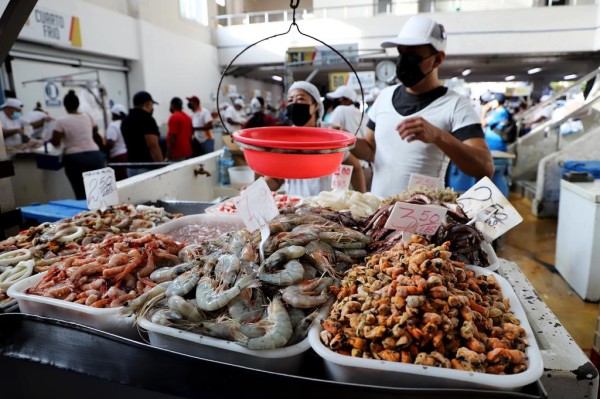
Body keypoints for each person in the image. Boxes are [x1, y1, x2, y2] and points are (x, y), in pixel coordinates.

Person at [351, 15, 493, 198]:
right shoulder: (384, 97)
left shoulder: (456, 105)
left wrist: (438, 136)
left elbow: (485, 167)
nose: (404, 62)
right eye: (401, 54)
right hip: (378, 214)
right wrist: (346, 140)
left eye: (413, 57)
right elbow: (371, 151)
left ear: (437, 59)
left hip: (423, 219)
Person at [264, 81, 365, 197]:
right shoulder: (286, 138)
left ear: (316, 105)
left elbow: (355, 167)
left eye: (300, 99)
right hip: (296, 206)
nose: (294, 104)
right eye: (290, 100)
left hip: (327, 206)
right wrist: (255, 189)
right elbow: (276, 180)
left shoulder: (328, 133)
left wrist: (361, 199)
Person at [50, 90, 106, 199]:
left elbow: (56, 143)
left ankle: (86, 215)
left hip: (75, 158)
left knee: (81, 192)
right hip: (95, 156)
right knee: (99, 192)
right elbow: (95, 130)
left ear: (65, 106)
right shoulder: (88, 116)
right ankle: (103, 214)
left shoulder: (61, 121)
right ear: (78, 104)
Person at [325, 85, 368, 192]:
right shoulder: (363, 115)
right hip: (365, 167)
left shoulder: (340, 110)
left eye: (338, 99)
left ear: (346, 100)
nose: (335, 102)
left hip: (347, 168)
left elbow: (331, 132)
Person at [121, 90, 163, 176]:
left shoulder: (126, 120)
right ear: (147, 104)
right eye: (152, 105)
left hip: (131, 166)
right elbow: (153, 145)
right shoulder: (148, 119)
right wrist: (161, 166)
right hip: (147, 167)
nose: (152, 108)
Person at [105, 103, 128, 181]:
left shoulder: (113, 126)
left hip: (117, 157)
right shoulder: (126, 123)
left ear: (114, 114)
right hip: (127, 155)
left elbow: (111, 143)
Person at [166, 97, 193, 161]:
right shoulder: (188, 117)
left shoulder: (174, 117)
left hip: (177, 153)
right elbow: (190, 136)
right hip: (187, 151)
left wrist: (169, 153)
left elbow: (172, 136)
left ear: (172, 105)